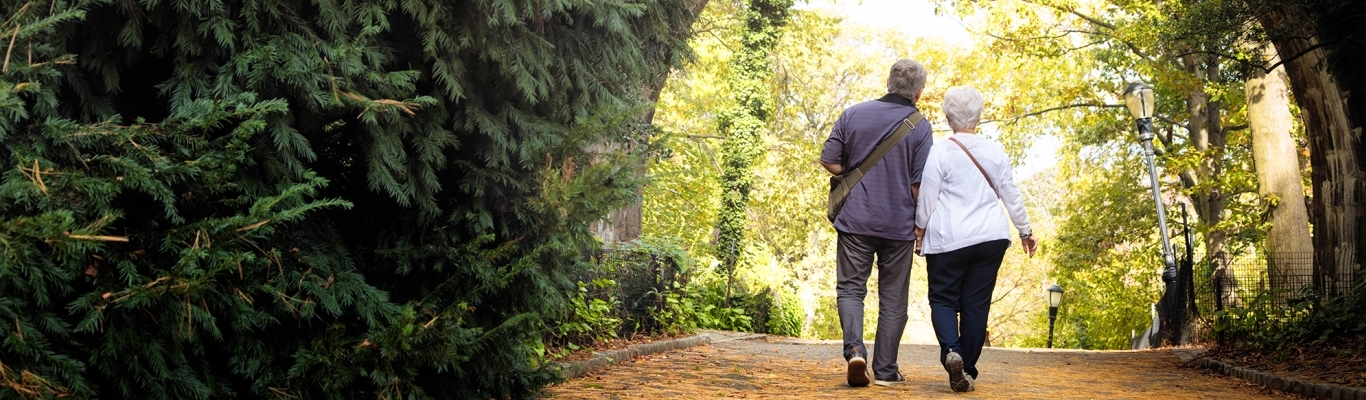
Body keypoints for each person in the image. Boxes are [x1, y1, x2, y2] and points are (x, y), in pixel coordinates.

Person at [819, 59, 934, 387]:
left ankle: (855, 350)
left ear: (888, 82)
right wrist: (922, 225)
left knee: (851, 289)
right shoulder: (921, 126)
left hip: (855, 219)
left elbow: (830, 161)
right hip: (898, 226)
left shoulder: (853, 113)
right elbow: (917, 186)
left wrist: (854, 174)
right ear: (919, 92)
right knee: (893, 298)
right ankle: (886, 371)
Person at [914, 86, 1037, 392]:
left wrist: (919, 230)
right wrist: (1025, 231)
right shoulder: (994, 150)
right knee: (975, 304)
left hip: (949, 238)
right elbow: (1011, 194)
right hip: (990, 237)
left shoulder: (940, 150)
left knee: (943, 298)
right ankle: (966, 367)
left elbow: (928, 195)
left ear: (947, 116)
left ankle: (951, 351)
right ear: (979, 116)